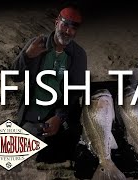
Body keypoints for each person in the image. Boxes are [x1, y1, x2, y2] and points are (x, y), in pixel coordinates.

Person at [11, 3, 87, 164]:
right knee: (22, 153)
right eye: (65, 24)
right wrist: (27, 56)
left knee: (67, 152)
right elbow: (15, 76)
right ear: (56, 22)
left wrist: (59, 117)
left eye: (73, 28)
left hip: (58, 113)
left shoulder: (78, 55)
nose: (68, 31)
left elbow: (75, 91)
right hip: (32, 115)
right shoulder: (37, 43)